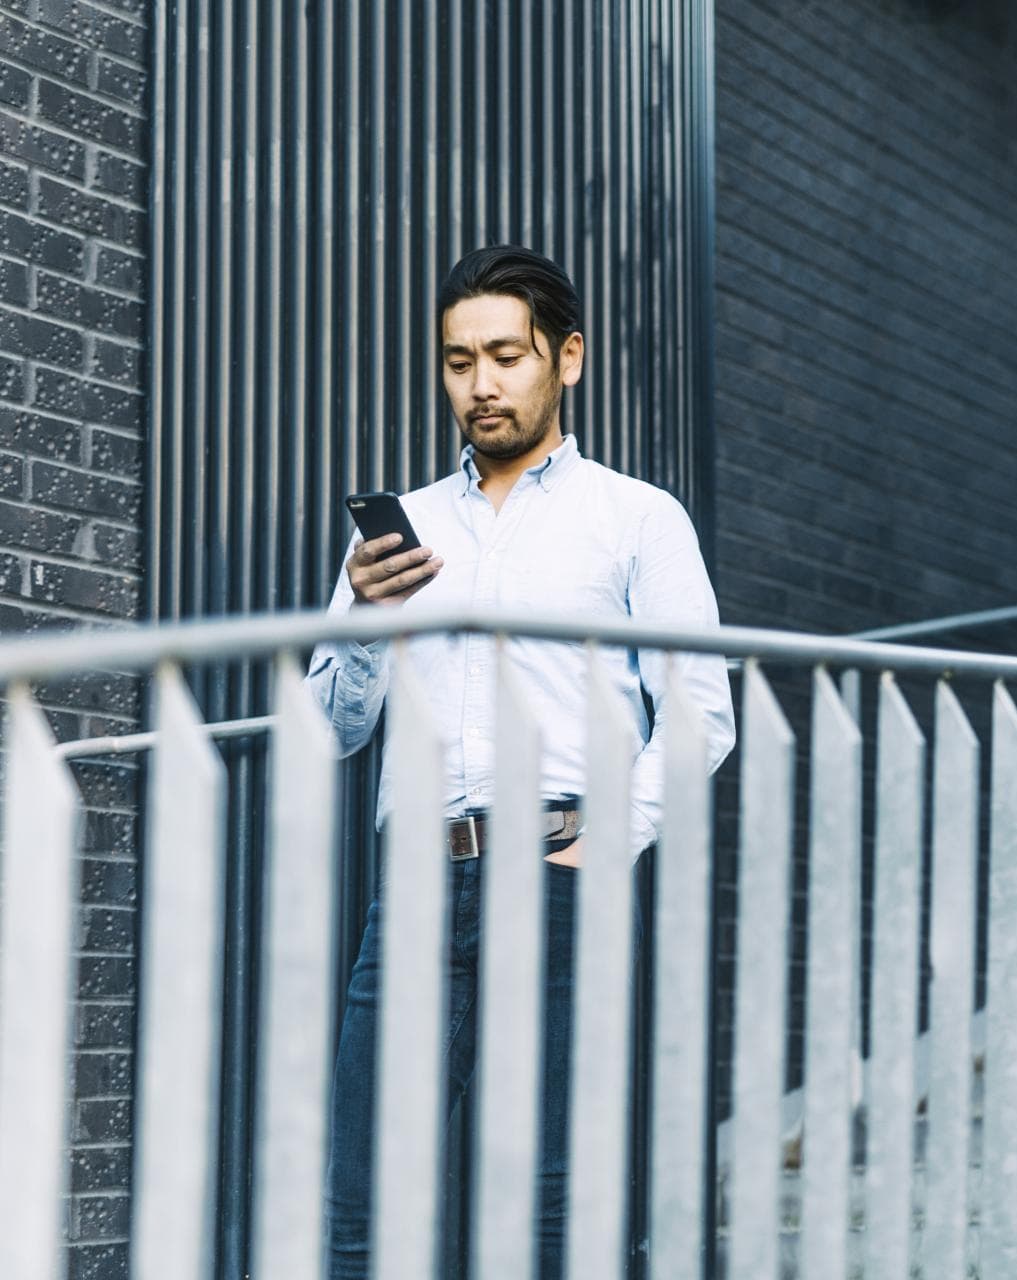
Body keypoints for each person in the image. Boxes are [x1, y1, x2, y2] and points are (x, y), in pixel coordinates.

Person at [306, 245, 736, 1277]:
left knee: (554, 1206)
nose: (481, 383)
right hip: (413, 885)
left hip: (561, 878)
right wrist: (368, 616)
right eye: (459, 360)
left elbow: (701, 714)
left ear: (568, 357)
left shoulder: (636, 519)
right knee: (361, 1198)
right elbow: (332, 724)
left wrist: (601, 848)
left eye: (507, 354)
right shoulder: (403, 532)